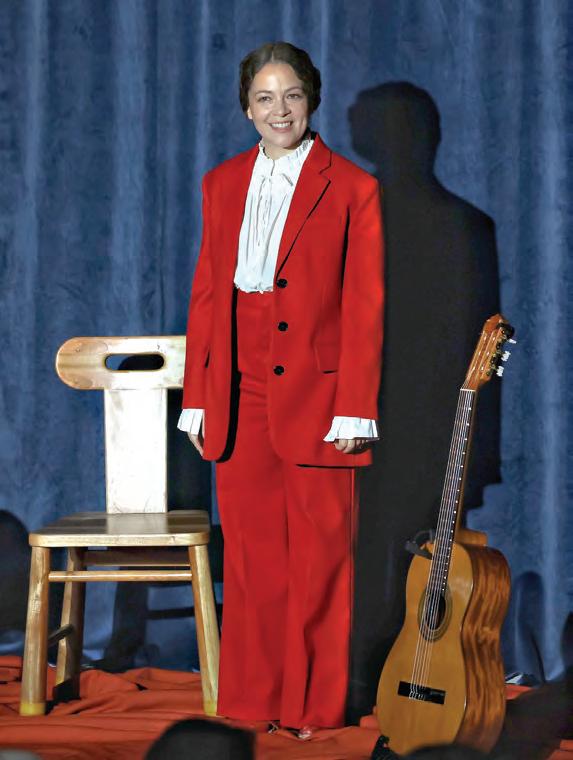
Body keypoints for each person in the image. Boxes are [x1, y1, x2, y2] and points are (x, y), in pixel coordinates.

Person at [178, 41, 384, 736]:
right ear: (246, 108)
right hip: (238, 388)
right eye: (264, 98)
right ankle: (252, 701)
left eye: (291, 95)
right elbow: (208, 295)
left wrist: (354, 406)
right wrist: (199, 396)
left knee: (320, 559)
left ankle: (311, 708)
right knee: (253, 558)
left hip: (319, 396)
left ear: (311, 100)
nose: (279, 110)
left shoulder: (352, 187)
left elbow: (364, 305)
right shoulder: (220, 182)